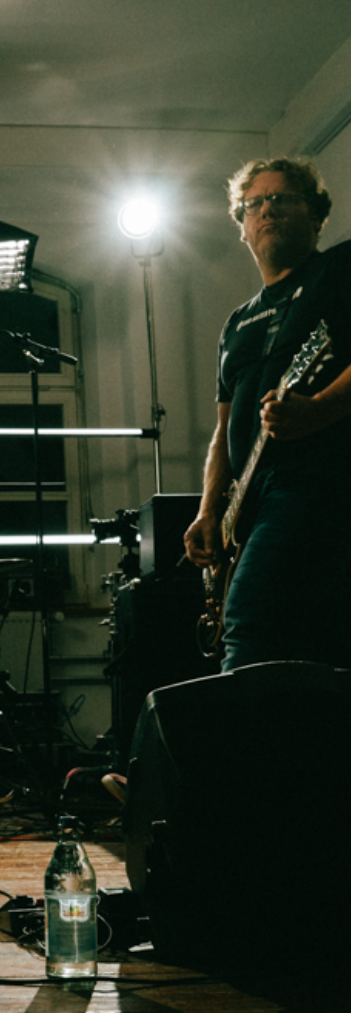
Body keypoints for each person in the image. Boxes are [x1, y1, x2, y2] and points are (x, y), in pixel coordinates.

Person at [183, 158, 351, 670]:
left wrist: (320, 409)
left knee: (249, 619)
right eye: (254, 204)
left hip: (312, 479)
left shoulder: (339, 270)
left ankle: (238, 720)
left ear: (316, 214)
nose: (267, 210)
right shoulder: (237, 323)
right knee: (300, 642)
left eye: (282, 199)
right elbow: (222, 430)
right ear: (242, 226)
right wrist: (209, 511)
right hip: (249, 503)